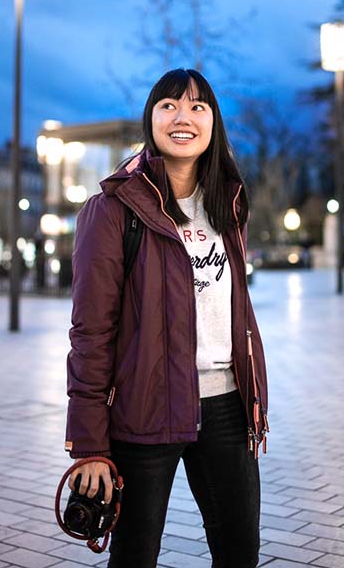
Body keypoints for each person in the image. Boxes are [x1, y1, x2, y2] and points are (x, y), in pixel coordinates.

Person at [65, 68, 269, 568]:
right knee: (135, 556)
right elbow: (92, 331)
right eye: (169, 105)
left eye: (199, 107)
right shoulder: (112, 209)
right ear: (150, 120)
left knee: (240, 551)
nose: (184, 117)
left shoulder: (229, 204)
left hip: (226, 407)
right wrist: (90, 443)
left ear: (213, 123)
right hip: (144, 409)